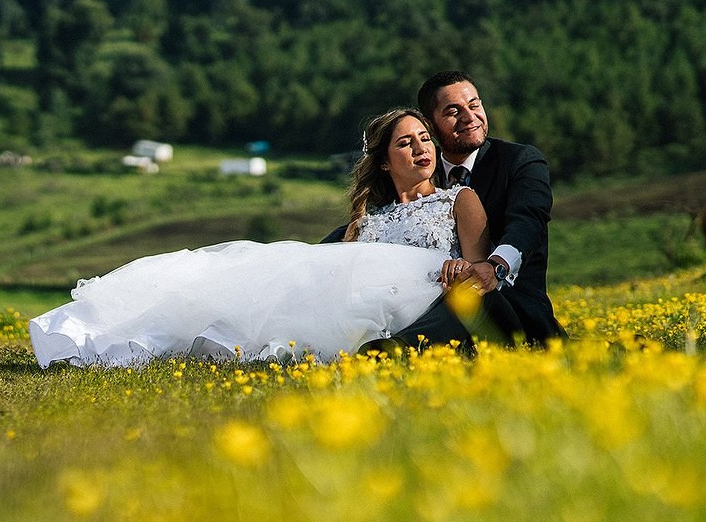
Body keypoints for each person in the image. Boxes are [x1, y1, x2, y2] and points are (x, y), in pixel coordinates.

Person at [28, 108, 488, 368]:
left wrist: (461, 269)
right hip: (353, 300)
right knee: (251, 274)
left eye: (425, 138)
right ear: (385, 161)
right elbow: (336, 275)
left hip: (423, 296)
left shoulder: (458, 200)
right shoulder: (365, 220)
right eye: (405, 142)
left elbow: (480, 267)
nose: (421, 148)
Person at [323, 71, 563, 347]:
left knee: (468, 293)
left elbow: (528, 222)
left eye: (474, 105)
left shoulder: (518, 161)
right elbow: (379, 227)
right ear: (431, 124)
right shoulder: (418, 172)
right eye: (453, 111)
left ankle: (400, 348)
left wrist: (494, 266)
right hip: (417, 311)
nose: (469, 117)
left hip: (507, 307)